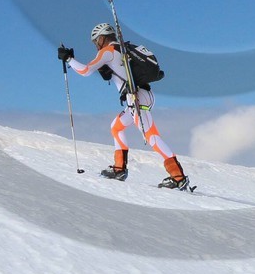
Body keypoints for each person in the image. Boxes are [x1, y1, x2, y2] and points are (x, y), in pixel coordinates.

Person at [59, 22, 189, 189]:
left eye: (96, 41)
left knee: (152, 136)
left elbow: (86, 71)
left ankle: (178, 177)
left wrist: (68, 59)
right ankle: (119, 169)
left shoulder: (108, 51)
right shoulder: (122, 49)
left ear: (102, 38)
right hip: (139, 96)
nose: (96, 45)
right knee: (116, 127)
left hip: (136, 98)